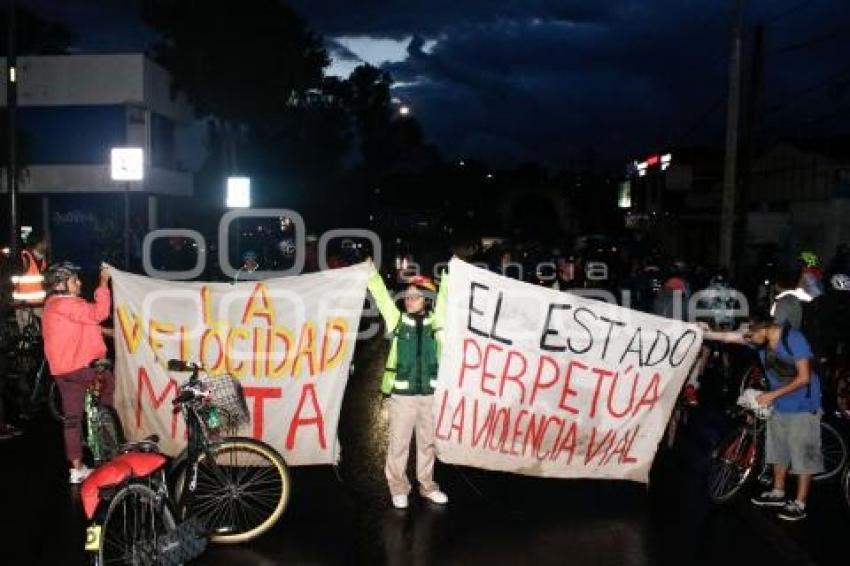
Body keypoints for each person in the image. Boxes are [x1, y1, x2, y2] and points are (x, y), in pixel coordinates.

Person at [701, 313, 823, 521]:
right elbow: (731, 337)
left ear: (764, 329)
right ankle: (777, 492)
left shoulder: (793, 339)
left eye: (751, 334)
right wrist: (704, 331)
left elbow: (803, 378)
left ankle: (800, 504)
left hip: (804, 404)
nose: (748, 338)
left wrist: (772, 394)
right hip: (779, 403)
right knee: (778, 450)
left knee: (803, 456)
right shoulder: (760, 341)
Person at [366, 258, 449, 509]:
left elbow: (446, 299)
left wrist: (449, 276)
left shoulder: (438, 323)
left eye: (415, 297)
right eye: (408, 296)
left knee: (427, 443)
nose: (409, 300)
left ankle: (427, 485)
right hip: (402, 395)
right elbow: (381, 296)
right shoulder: (398, 320)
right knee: (399, 443)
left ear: (427, 300)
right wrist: (371, 273)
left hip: (430, 395)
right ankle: (398, 486)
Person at [42, 262, 114, 484]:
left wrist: (107, 332)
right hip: (81, 367)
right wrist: (103, 283)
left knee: (72, 419)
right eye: (74, 280)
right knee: (110, 389)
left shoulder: (52, 304)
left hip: (62, 371)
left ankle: (77, 468)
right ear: (61, 285)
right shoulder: (69, 303)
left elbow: (81, 323)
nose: (79, 283)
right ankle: (109, 442)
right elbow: (98, 313)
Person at [11, 233, 48, 330]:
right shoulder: (24, 258)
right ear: (37, 243)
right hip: (24, 304)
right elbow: (11, 278)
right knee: (27, 334)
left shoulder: (42, 258)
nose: (47, 244)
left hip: (38, 303)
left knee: (50, 322)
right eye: (44, 242)